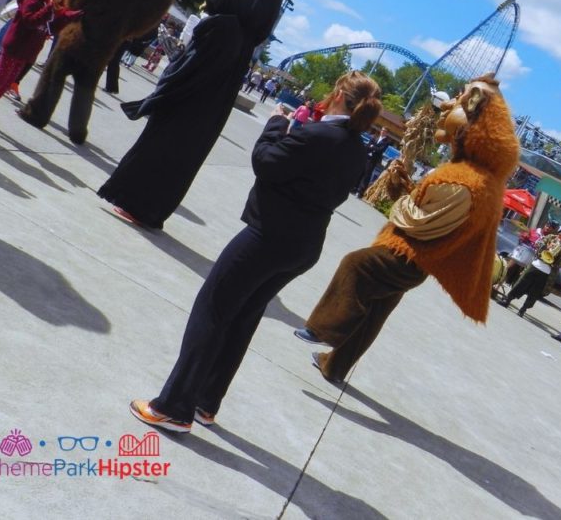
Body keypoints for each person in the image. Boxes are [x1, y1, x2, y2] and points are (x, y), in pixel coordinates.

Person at [129, 71, 383, 432]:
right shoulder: (356, 148)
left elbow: (265, 163)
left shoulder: (316, 134)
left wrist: (278, 123)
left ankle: (173, 406)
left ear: (340, 93)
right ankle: (205, 401)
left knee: (212, 309)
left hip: (268, 236)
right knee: (242, 318)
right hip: (303, 246)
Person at [294, 74, 520, 384]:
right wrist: (408, 189)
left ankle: (322, 329)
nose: (450, 104)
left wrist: (402, 198)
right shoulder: (474, 177)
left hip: (408, 256)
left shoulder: (469, 181)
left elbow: (421, 222)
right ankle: (334, 365)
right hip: (416, 258)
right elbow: (436, 213)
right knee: (375, 310)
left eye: (460, 100)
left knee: (356, 265)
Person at [98, 0, 287, 230]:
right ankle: (151, 211)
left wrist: (156, 96)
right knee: (179, 164)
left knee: (156, 154)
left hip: (183, 109)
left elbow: (188, 72)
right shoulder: (244, 37)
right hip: (204, 117)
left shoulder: (222, 26)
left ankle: (137, 205)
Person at [18, 0, 174, 144]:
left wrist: (74, 8)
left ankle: (37, 113)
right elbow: (154, 16)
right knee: (87, 84)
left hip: (83, 25)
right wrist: (127, 31)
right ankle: (78, 131)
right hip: (111, 38)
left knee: (55, 72)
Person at [501, 222, 561, 317]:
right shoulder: (551, 237)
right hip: (536, 265)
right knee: (521, 283)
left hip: (547, 272)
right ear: (559, 232)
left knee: (535, 292)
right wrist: (547, 247)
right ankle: (508, 300)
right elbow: (538, 244)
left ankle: (523, 309)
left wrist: (555, 258)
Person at [355, 126, 391, 196]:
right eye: (382, 130)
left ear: (387, 133)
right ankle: (355, 187)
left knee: (367, 175)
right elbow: (368, 146)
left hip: (373, 160)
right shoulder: (375, 137)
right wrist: (373, 148)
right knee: (361, 171)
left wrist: (373, 147)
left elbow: (380, 150)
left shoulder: (386, 142)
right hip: (367, 156)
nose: (382, 132)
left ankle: (360, 191)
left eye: (384, 131)